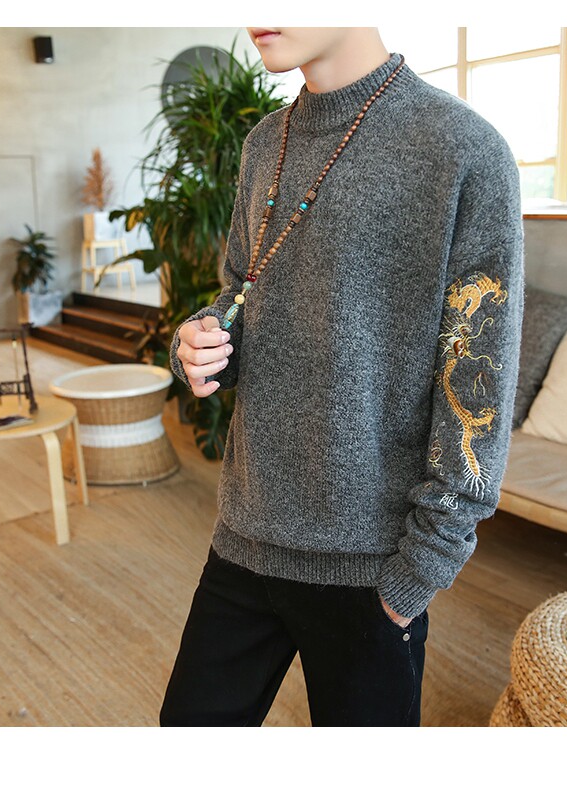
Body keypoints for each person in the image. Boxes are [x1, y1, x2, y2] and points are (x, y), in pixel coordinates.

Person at [159, 26, 524, 727]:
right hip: (245, 537)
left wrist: (418, 573)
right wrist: (201, 340)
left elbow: (477, 379)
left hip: (373, 569)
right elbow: (241, 292)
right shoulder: (264, 144)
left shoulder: (461, 149)